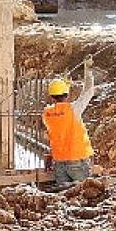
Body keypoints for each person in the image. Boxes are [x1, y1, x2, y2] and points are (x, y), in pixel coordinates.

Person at [42, 55, 95, 184]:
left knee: (64, 199)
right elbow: (88, 91)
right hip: (78, 160)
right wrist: (88, 70)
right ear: (67, 94)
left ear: (51, 96)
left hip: (59, 163)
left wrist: (65, 86)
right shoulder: (73, 109)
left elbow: (60, 106)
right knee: (81, 195)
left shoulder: (47, 113)